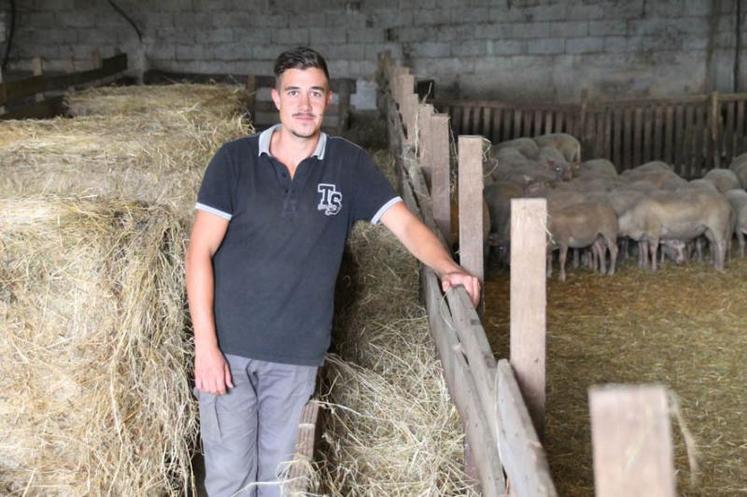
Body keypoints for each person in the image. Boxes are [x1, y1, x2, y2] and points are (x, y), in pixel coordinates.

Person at [185, 46, 480, 497]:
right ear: (276, 98)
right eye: (294, 92)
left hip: (295, 355)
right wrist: (206, 347)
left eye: (316, 93)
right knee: (229, 479)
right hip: (229, 353)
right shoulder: (234, 161)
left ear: (328, 100)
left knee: (281, 480)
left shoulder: (348, 165)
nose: (305, 104)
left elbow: (403, 223)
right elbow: (198, 254)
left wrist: (447, 267)